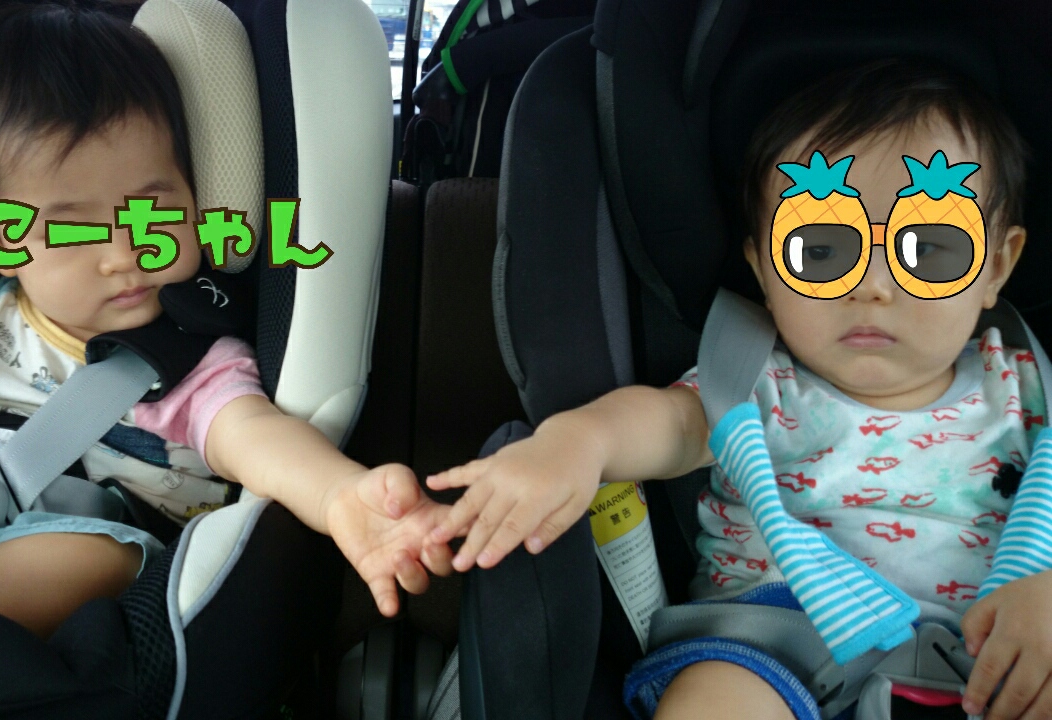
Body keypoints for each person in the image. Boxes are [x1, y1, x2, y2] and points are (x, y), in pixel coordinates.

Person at [0, 2, 446, 639]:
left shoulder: (189, 358)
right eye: (70, 228)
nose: (126, 254)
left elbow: (256, 437)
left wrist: (339, 495)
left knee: (82, 559)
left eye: (156, 212)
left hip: (87, 543)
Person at [421, 59, 1052, 720]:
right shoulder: (753, 383)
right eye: (821, 252)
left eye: (929, 251)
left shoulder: (1026, 389)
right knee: (718, 696)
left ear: (996, 266)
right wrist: (578, 441)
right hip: (774, 650)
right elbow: (672, 424)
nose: (873, 286)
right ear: (764, 271)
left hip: (992, 657)